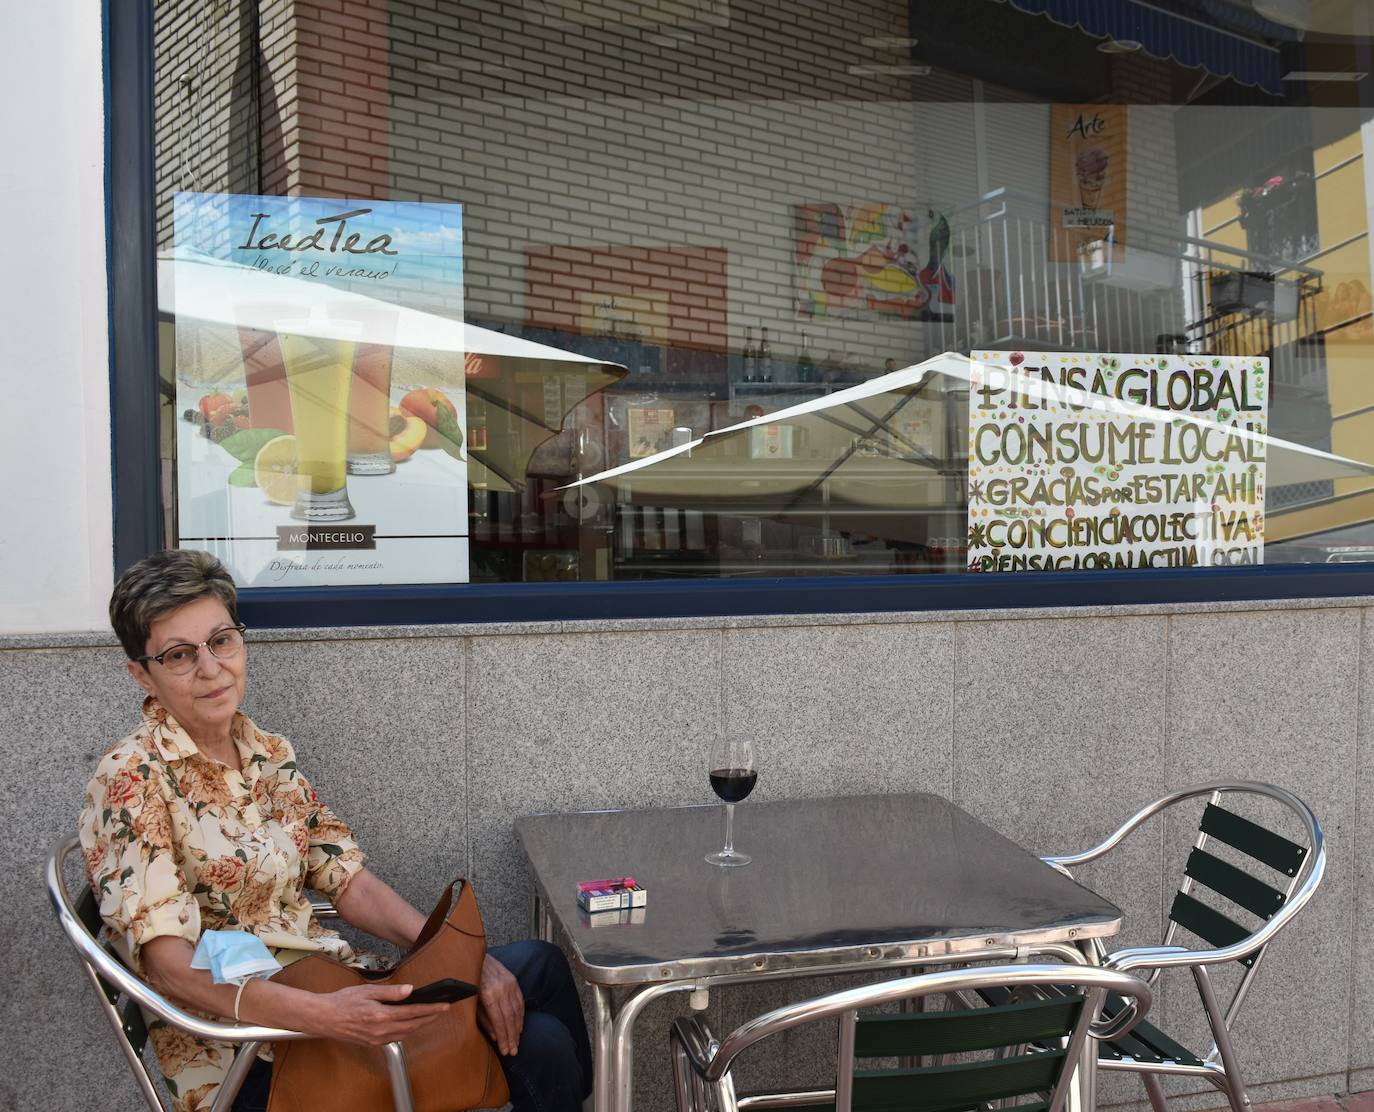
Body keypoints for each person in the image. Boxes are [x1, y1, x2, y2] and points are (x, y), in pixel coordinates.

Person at [79, 549, 592, 1112]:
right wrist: (328, 1017)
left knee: (536, 971)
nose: (211, 668)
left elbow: (346, 878)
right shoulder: (133, 777)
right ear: (140, 673)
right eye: (179, 655)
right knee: (542, 1047)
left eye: (221, 640)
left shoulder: (265, 753)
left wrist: (464, 960)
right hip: (256, 1052)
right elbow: (168, 968)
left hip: (333, 990)